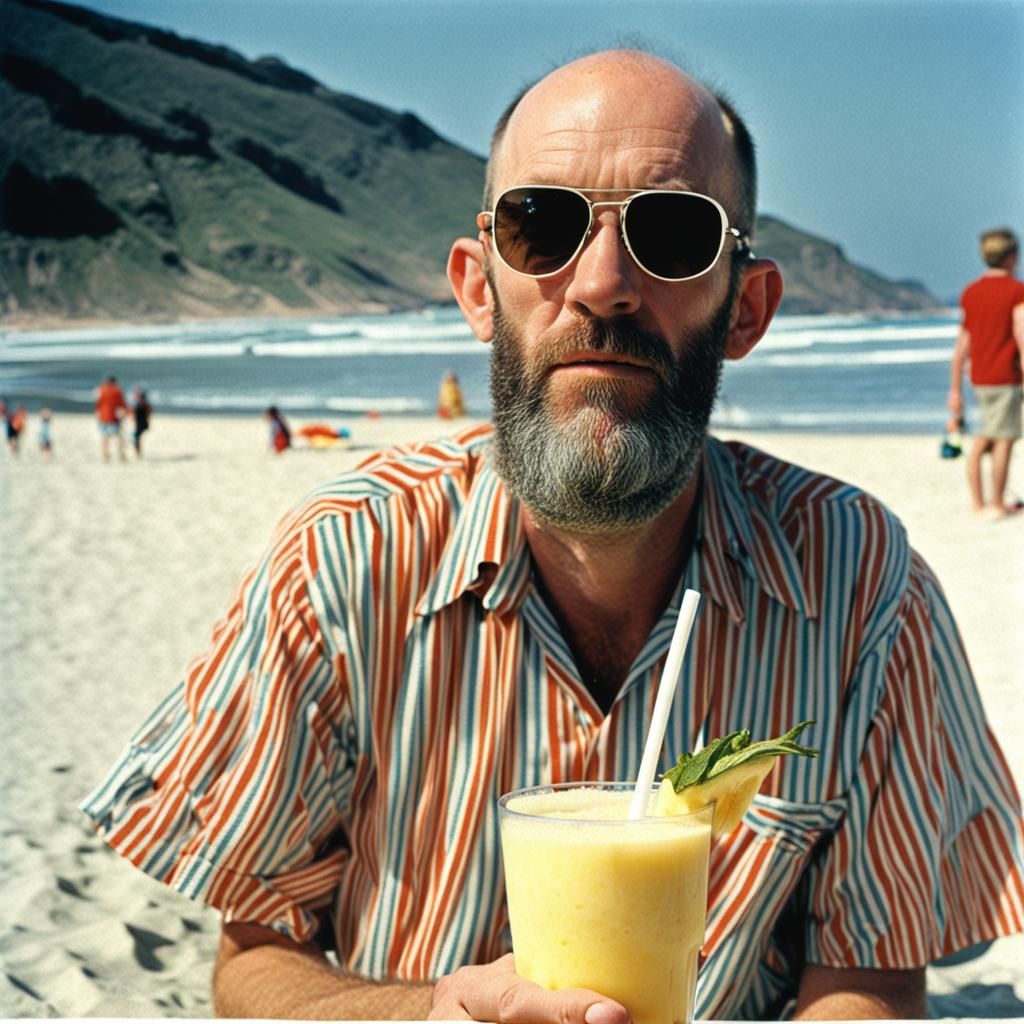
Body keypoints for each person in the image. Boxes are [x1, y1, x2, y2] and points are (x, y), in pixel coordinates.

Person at [82, 50, 1024, 1022]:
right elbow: (253, 956)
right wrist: (430, 1013)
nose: (604, 284)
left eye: (671, 232)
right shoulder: (343, 561)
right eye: (543, 227)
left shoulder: (860, 586)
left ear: (745, 308)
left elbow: (869, 979)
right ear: (479, 287)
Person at [948, 228, 1024, 518]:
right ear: (1010, 256)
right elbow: (1021, 333)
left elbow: (962, 344)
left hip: (979, 377)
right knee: (1002, 438)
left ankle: (979, 502)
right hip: (1006, 376)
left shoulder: (972, 292)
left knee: (986, 438)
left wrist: (954, 389)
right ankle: (995, 503)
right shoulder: (1016, 291)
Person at [95, 375, 129, 462]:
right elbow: (122, 404)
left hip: (103, 417)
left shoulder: (101, 389)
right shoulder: (117, 391)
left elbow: (98, 404)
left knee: (105, 438)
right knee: (118, 437)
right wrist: (128, 412)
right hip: (113, 417)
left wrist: (98, 414)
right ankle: (121, 456)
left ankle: (106, 456)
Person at [130, 387, 152, 458]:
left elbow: (134, 416)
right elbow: (149, 415)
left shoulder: (138, 405)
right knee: (136, 438)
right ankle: (138, 452)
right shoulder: (146, 405)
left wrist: (135, 423)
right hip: (143, 424)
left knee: (135, 438)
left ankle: (138, 453)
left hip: (140, 425)